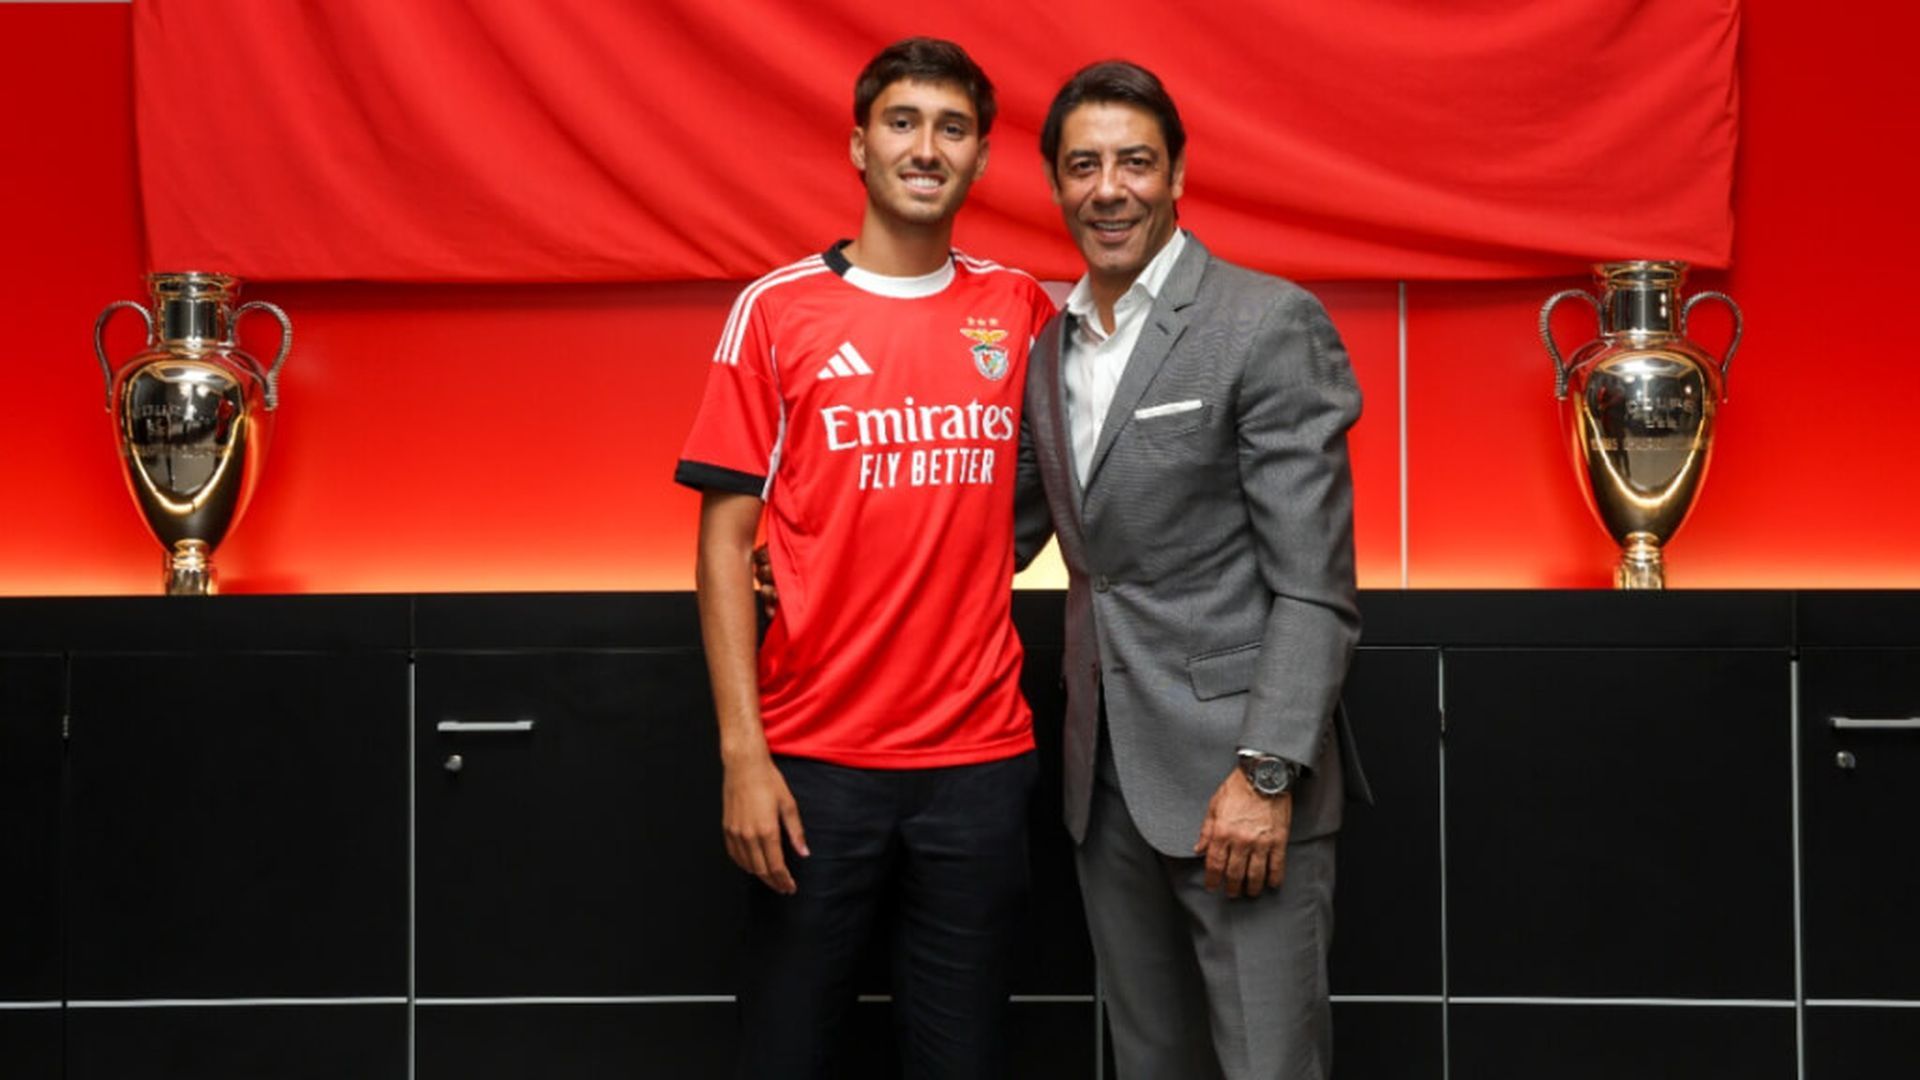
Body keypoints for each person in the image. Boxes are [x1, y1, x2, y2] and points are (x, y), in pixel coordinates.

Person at [673, 37, 1057, 1080]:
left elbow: (1078, 473)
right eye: (902, 123)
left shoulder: (1021, 311)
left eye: (952, 128)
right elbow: (721, 549)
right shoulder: (777, 310)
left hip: (979, 763)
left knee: (962, 1056)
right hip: (813, 767)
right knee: (788, 1051)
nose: (925, 148)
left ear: (980, 159)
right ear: (857, 146)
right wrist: (744, 758)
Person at [1012, 60, 1368, 1080]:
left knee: (1268, 1066)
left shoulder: (1264, 323)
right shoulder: (1051, 349)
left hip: (1240, 785)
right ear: (1055, 184)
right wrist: (813, 562)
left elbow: (1315, 585)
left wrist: (1265, 773)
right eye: (1083, 166)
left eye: (1135, 162)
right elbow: (994, 535)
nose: (1108, 188)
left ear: (1176, 178)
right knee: (1148, 1062)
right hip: (1103, 781)